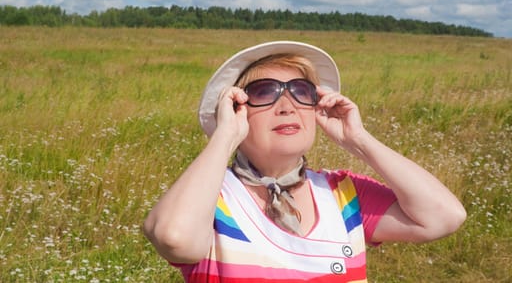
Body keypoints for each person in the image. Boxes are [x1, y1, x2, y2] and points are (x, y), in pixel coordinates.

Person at [143, 41, 466, 282]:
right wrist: (225, 136)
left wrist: (359, 140)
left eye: (301, 91)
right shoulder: (211, 196)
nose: (287, 106)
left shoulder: (343, 194)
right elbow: (175, 238)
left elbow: (443, 216)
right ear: (236, 111)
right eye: (264, 92)